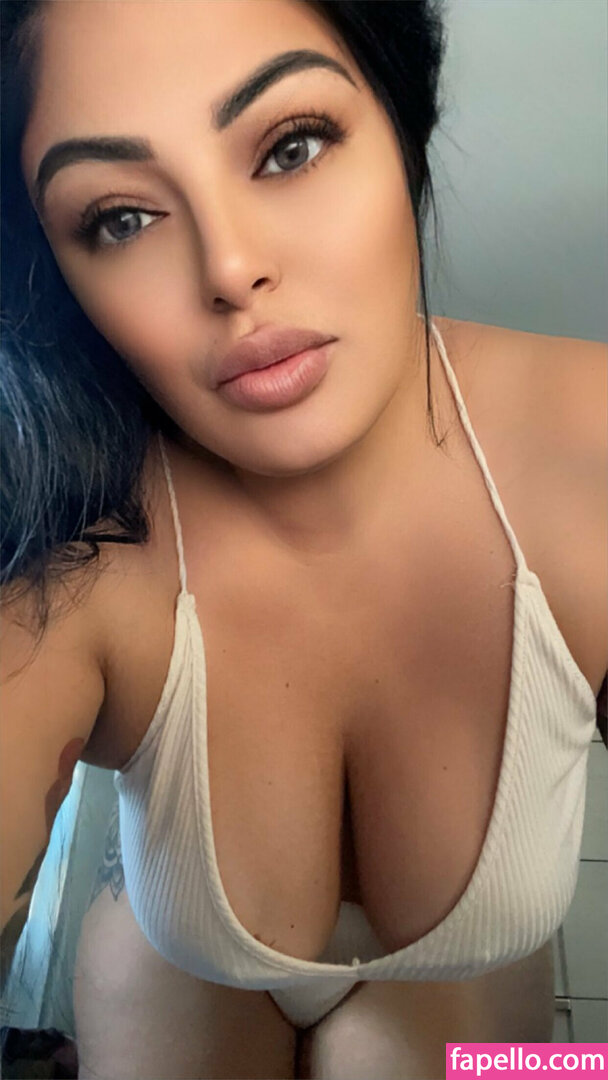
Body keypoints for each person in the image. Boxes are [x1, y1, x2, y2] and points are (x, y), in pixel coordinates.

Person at [1, 2, 605, 1078]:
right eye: (121, 218)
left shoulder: (586, 451)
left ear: (401, 122)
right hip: (177, 965)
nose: (231, 267)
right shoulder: (76, 546)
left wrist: (577, 1070)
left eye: (290, 147)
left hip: (475, 988)